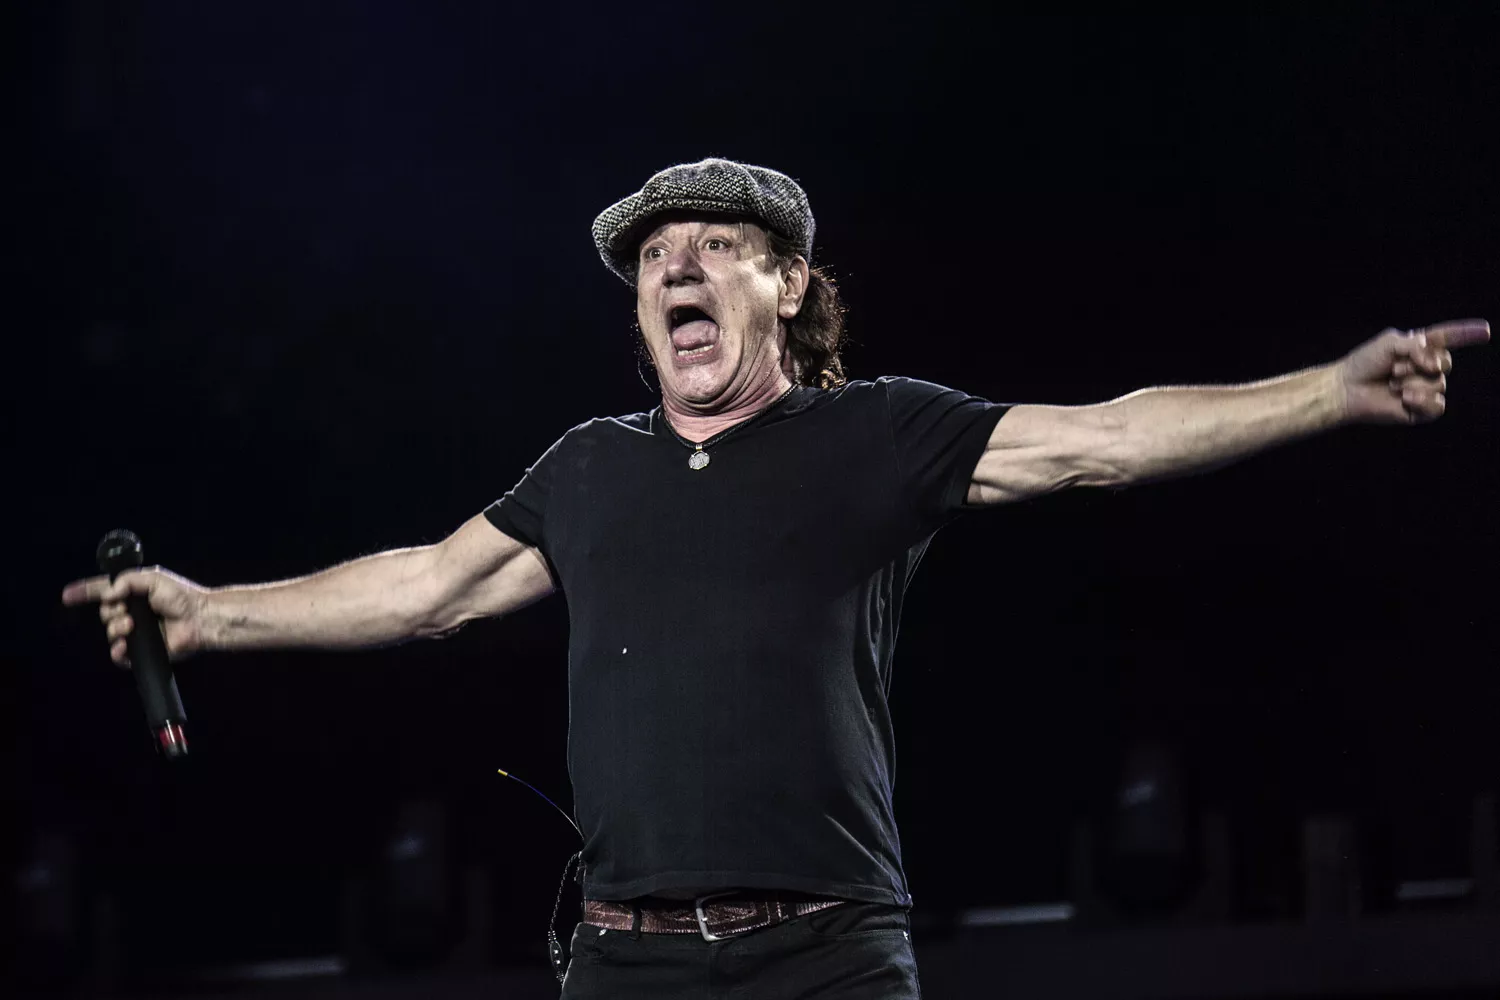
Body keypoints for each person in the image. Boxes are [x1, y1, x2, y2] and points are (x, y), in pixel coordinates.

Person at [62, 158, 1488, 999]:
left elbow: (1103, 442)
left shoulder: (874, 436)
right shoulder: (588, 467)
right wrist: (209, 615)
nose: (676, 269)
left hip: (828, 958)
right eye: (654, 260)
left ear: (788, 286)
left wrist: (1331, 390)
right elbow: (425, 588)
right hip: (625, 965)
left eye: (714, 249)